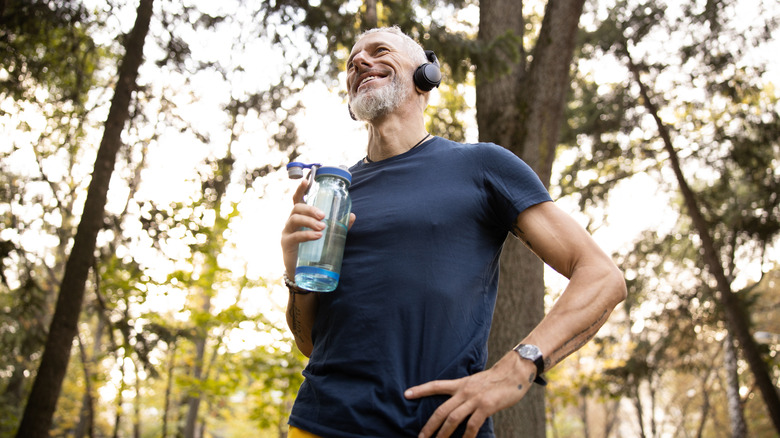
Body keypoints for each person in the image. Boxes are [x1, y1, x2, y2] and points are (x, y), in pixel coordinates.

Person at [280, 26, 627, 438]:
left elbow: (602, 277)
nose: (358, 62)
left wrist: (517, 367)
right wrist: (295, 275)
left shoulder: (481, 166)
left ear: (425, 77)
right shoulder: (335, 192)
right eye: (353, 60)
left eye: (379, 51)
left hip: (439, 429)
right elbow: (312, 344)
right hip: (320, 424)